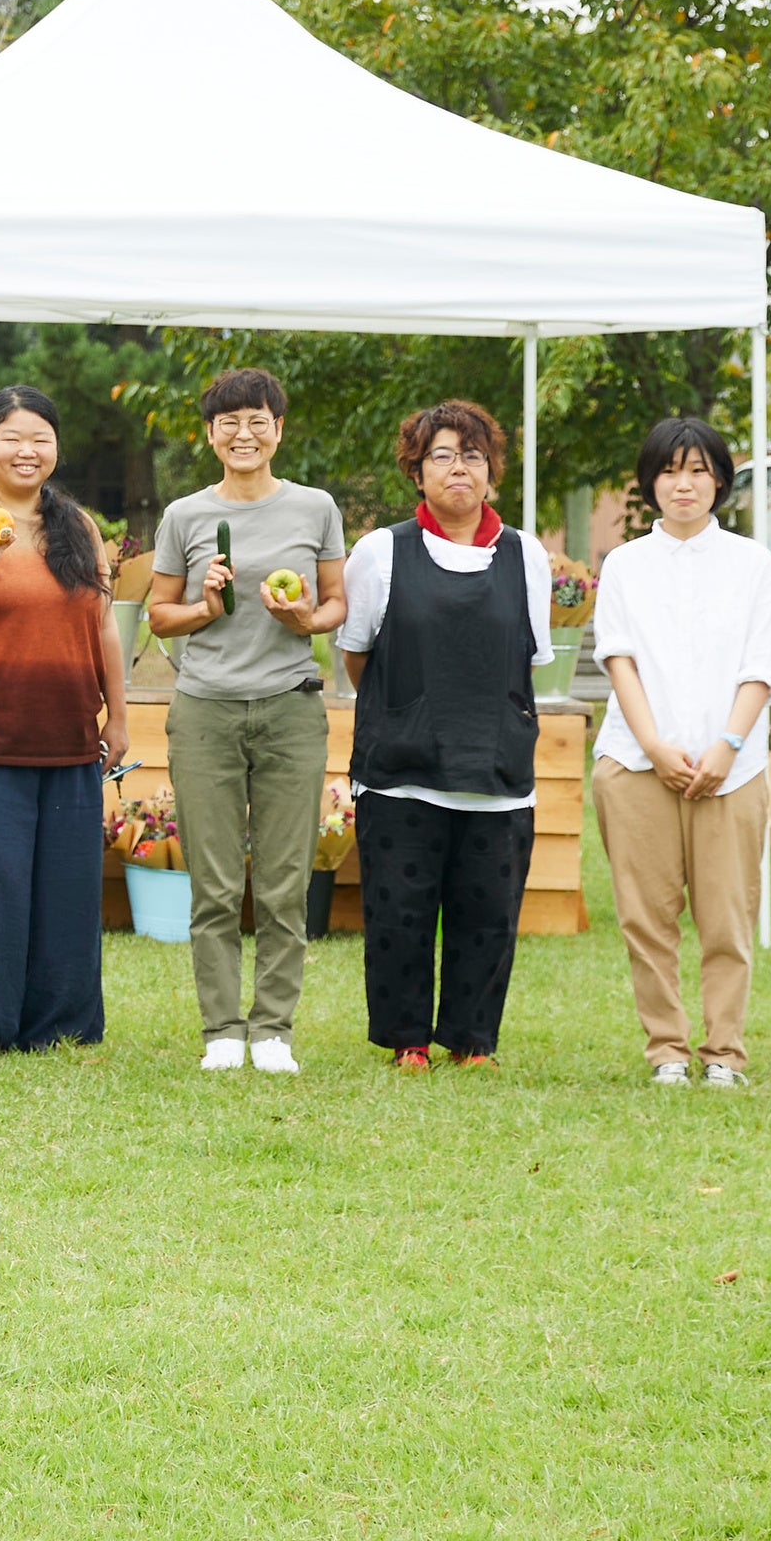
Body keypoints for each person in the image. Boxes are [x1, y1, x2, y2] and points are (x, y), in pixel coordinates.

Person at [334, 400, 554, 1072]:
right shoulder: (381, 552)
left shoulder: (526, 555)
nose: (460, 468)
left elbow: (529, 658)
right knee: (398, 912)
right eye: (442, 456)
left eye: (473, 456)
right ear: (416, 471)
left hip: (496, 770)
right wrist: (407, 711)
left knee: (488, 913)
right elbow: (358, 654)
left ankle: (472, 1041)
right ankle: (407, 1040)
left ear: (491, 471)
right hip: (402, 770)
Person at [0, 384, 131, 1052]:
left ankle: (59, 1026)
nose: (26, 450)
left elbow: (103, 627)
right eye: (12, 438)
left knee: (65, 890)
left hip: (68, 732)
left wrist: (118, 718)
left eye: (40, 438)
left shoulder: (78, 525)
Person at [146, 366, 349, 1075]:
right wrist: (204, 608)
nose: (244, 433)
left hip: (290, 706)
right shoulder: (185, 516)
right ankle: (222, 1031)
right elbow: (159, 615)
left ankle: (272, 1031)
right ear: (210, 435)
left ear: (279, 430)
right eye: (229, 422)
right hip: (205, 710)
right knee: (214, 883)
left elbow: (335, 603)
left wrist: (305, 619)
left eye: (258, 420)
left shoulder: (315, 508)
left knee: (285, 881)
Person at [590, 415, 771, 1090]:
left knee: (728, 917)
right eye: (670, 471)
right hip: (636, 763)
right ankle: (667, 1050)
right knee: (647, 918)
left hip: (733, 768)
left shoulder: (752, 563)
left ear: (720, 481)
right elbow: (618, 658)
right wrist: (654, 745)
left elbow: (760, 666)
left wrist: (727, 746)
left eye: (698, 471)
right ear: (650, 482)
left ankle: (724, 1052)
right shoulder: (625, 564)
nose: (684, 484)